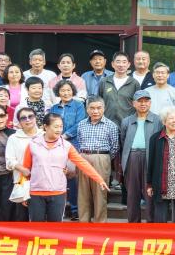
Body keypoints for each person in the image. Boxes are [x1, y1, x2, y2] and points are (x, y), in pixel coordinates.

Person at [22, 113, 107, 222]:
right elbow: (26, 169)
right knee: (36, 228)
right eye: (56, 126)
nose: (59, 130)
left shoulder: (66, 145)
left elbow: (82, 163)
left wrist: (99, 179)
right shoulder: (33, 144)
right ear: (45, 126)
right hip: (36, 193)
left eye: (61, 126)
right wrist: (23, 192)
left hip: (58, 192)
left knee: (56, 227)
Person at [118, 91, 162, 223]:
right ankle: (133, 223)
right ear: (134, 103)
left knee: (150, 192)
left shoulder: (158, 120)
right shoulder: (127, 121)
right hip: (132, 157)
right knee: (132, 193)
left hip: (150, 158)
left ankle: (151, 223)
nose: (143, 104)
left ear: (150, 103)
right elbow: (123, 140)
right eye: (140, 101)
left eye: (146, 101)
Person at [73, 97, 118, 223]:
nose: (95, 111)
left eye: (99, 108)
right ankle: (84, 222)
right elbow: (79, 141)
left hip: (101, 158)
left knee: (100, 192)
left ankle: (100, 224)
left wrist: (103, 158)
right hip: (83, 158)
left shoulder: (111, 125)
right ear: (87, 109)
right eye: (92, 108)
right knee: (83, 193)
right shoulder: (81, 124)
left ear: (104, 109)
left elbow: (115, 147)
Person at [49, 80, 87, 220]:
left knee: (71, 176)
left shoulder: (78, 105)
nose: (66, 93)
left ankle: (75, 209)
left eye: (68, 90)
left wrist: (64, 135)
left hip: (72, 144)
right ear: (58, 92)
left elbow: (80, 123)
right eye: (63, 90)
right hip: (55, 144)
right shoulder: (54, 108)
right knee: (57, 175)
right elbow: (50, 124)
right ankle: (60, 208)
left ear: (73, 91)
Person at [4, 107, 41, 221]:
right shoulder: (14, 138)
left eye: (30, 116)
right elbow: (9, 160)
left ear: (35, 118)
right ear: (19, 122)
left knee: (40, 218)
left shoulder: (44, 135)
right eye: (23, 118)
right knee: (22, 217)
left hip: (43, 182)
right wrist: (23, 169)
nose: (27, 120)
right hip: (22, 181)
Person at [100, 51, 138, 127]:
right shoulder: (104, 81)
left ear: (128, 64)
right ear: (112, 64)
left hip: (127, 125)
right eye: (118, 62)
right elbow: (99, 102)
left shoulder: (134, 83)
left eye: (124, 62)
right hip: (106, 125)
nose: (121, 65)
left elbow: (138, 106)